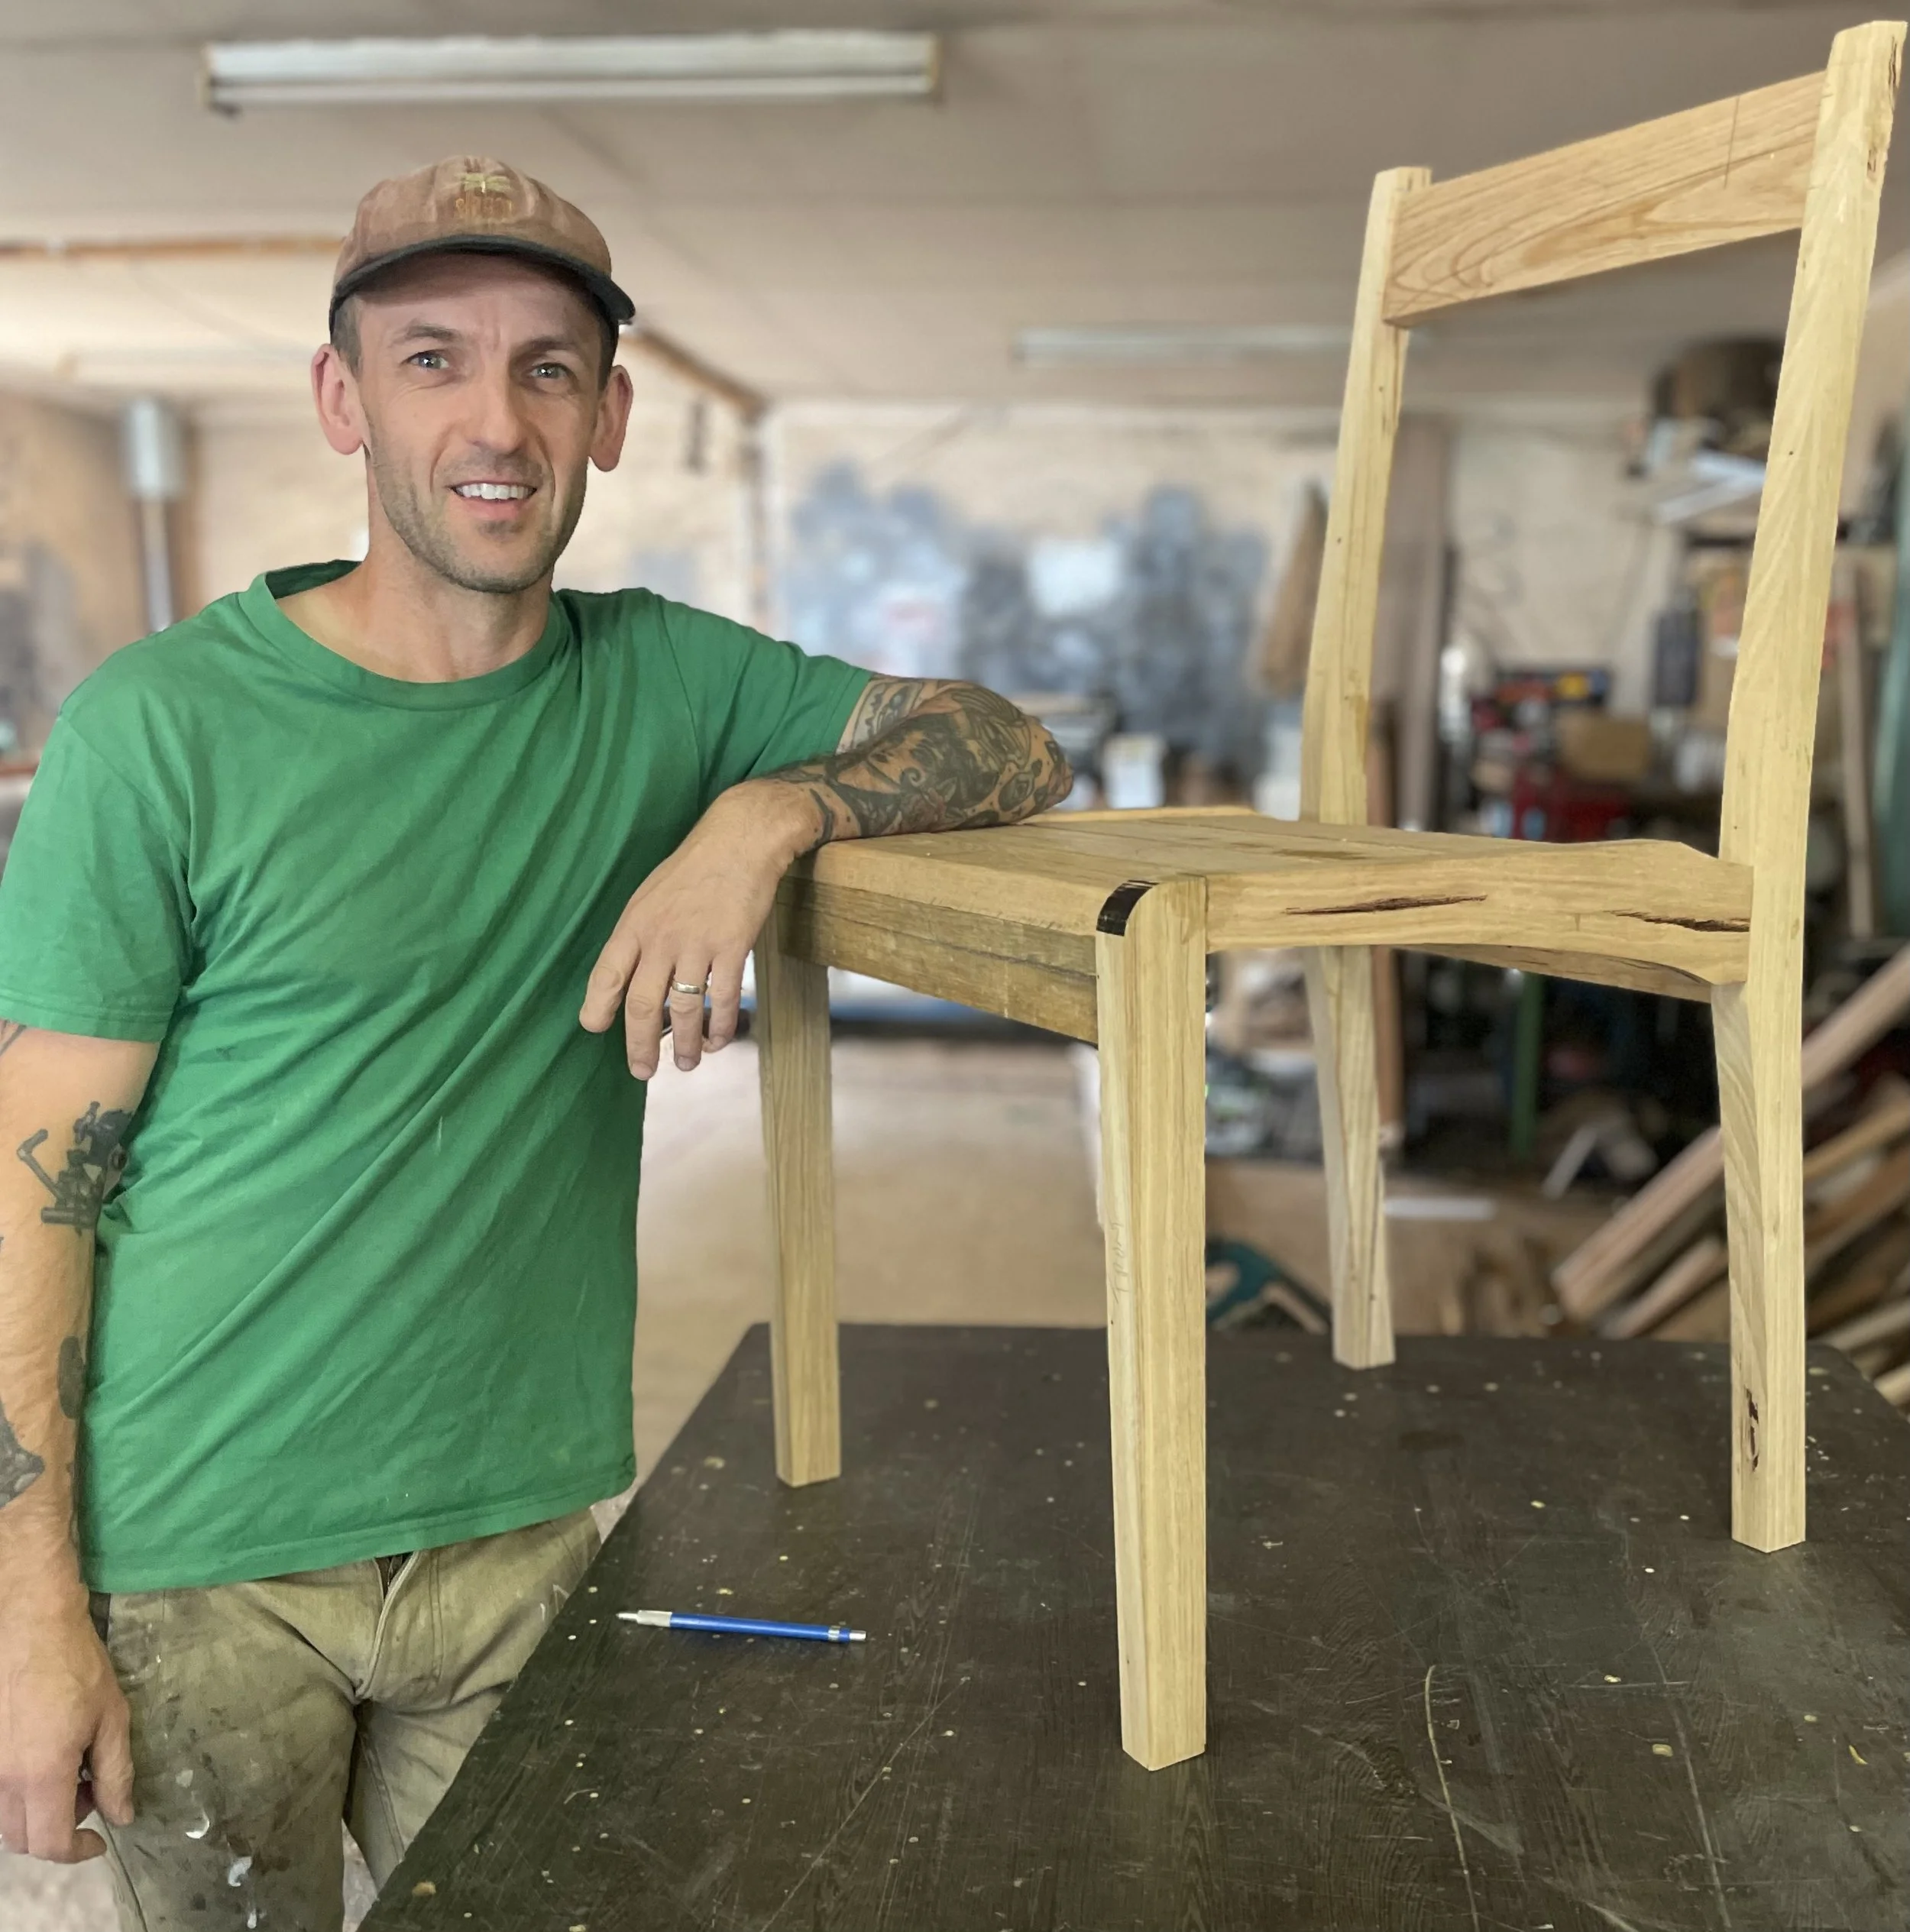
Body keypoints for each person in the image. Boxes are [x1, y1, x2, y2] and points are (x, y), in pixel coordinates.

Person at [0, 156, 1069, 1930]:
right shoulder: (160, 728)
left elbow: (1007, 742)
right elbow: (33, 1183)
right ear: (342, 400)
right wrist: (27, 1601)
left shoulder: (667, 685)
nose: (495, 421)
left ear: (608, 417)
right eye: (431, 359)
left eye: (546, 368)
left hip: (516, 1536)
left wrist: (767, 813)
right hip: (199, 1558)